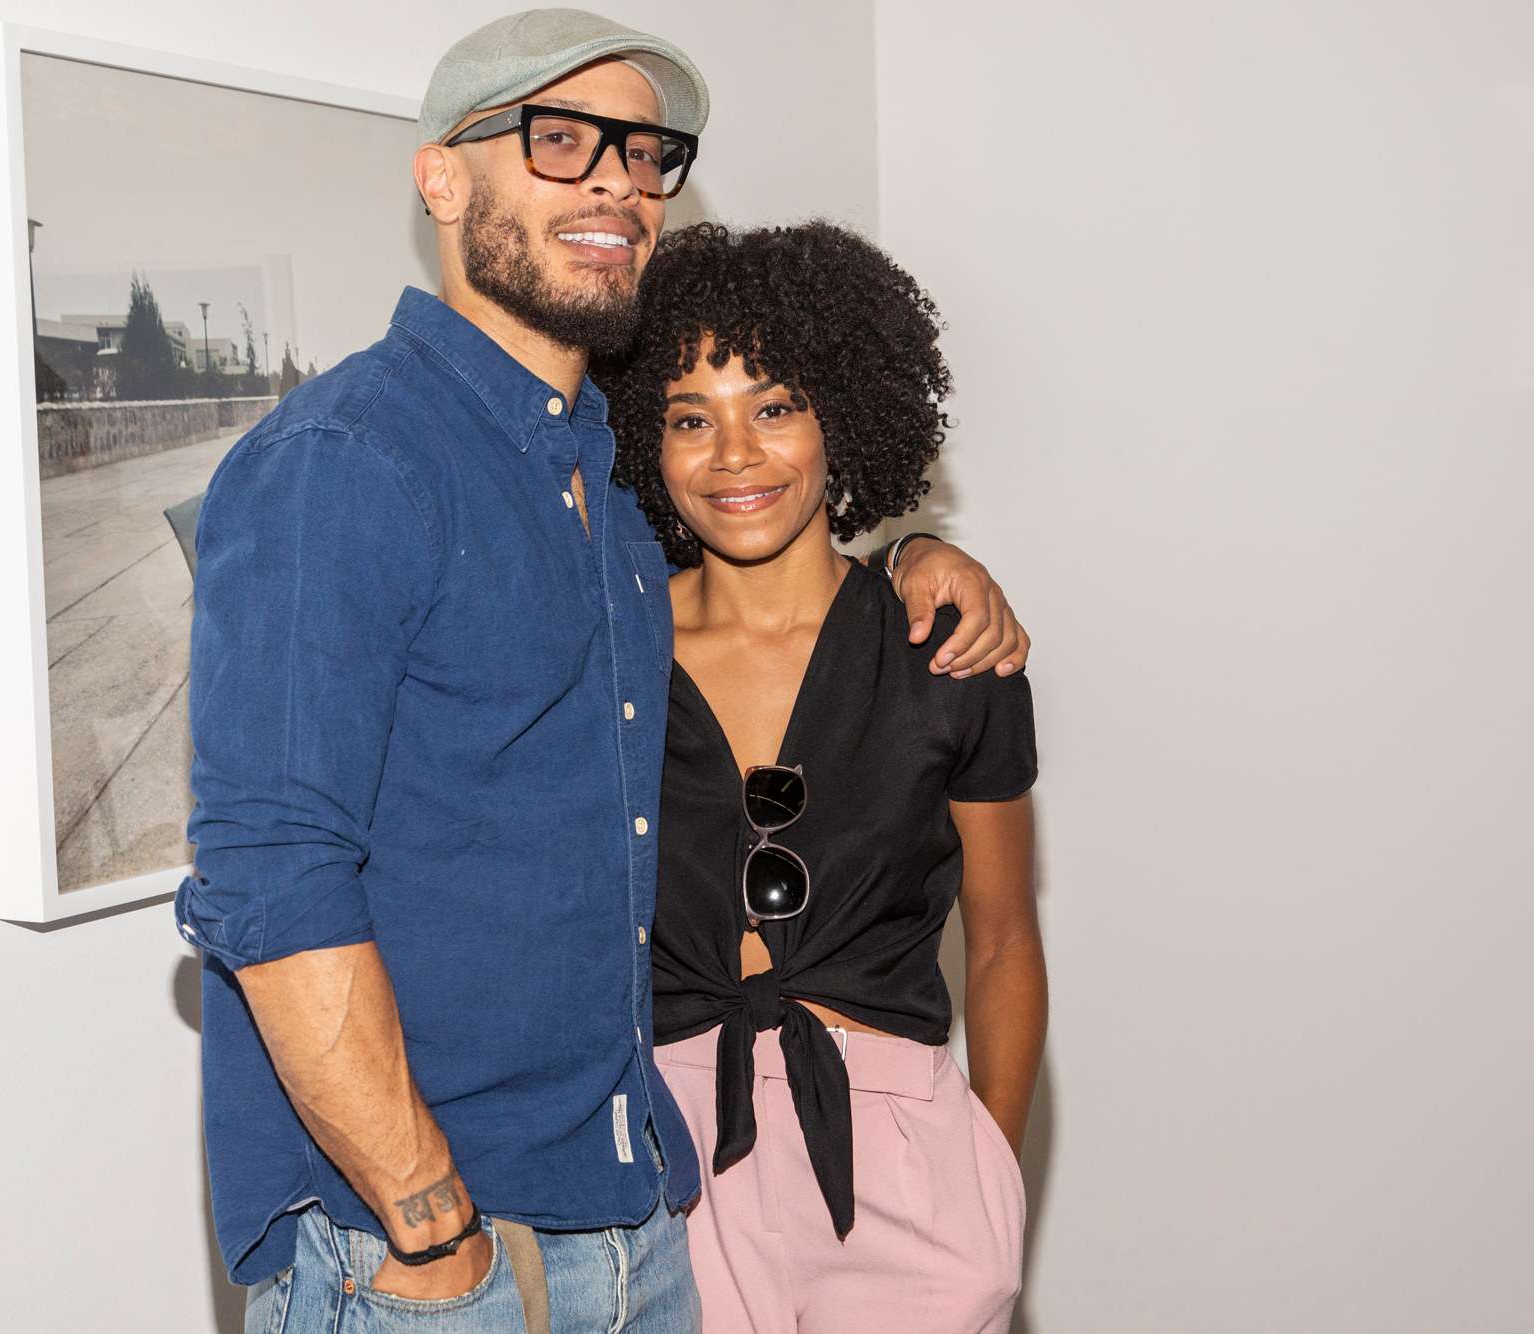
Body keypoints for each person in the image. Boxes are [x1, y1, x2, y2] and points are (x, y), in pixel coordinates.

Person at [176, 11, 1029, 1332]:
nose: (617, 183)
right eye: (561, 141)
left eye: (643, 154)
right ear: (443, 180)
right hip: (436, 1252)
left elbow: (767, 530)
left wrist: (923, 550)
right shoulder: (351, 460)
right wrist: (431, 1222)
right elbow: (270, 871)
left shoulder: (607, 502)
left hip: (636, 1220)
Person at [593, 220, 1046, 1334]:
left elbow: (999, 937)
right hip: (675, 1160)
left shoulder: (948, 650)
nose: (732, 454)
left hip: (903, 1161)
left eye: (774, 406)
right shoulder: (606, 654)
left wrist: (985, 1178)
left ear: (842, 413)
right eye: (689, 416)